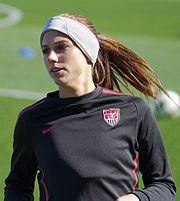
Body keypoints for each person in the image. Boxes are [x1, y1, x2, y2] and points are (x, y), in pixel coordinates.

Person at [4, 13, 176, 201]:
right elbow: (18, 187)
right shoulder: (32, 120)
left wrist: (137, 199)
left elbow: (164, 186)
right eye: (45, 50)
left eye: (61, 47)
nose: (51, 57)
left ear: (87, 50)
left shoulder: (133, 110)